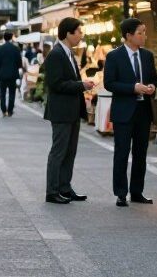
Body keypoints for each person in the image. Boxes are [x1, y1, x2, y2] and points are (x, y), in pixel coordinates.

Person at [104, 17, 157, 207]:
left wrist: (151, 86)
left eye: (144, 32)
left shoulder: (147, 56)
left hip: (144, 111)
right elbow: (109, 83)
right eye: (140, 32)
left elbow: (154, 78)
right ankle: (121, 192)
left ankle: (137, 191)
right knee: (121, 152)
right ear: (128, 36)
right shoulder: (114, 56)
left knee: (141, 153)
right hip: (123, 111)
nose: (144, 35)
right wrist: (133, 87)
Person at [43, 18, 95, 204]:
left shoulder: (69, 53)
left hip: (71, 110)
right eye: (79, 31)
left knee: (70, 151)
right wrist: (81, 85)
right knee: (59, 151)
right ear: (68, 33)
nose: (81, 35)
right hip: (61, 111)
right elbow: (55, 83)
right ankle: (52, 190)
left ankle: (65, 187)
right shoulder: (56, 54)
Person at [0, 32, 25, 117]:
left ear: (4, 38)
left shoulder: (1, 48)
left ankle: (3, 110)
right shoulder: (15, 49)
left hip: (3, 74)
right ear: (11, 38)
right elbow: (19, 63)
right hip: (13, 74)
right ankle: (10, 110)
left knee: (3, 93)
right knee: (12, 92)